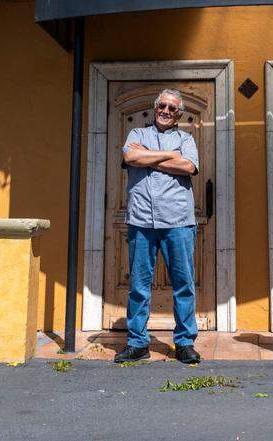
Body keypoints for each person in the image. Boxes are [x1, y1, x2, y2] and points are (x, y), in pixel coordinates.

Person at [114, 88, 202, 365]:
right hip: (141, 220)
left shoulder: (186, 139)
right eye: (162, 106)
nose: (166, 111)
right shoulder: (136, 135)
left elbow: (188, 166)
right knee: (139, 285)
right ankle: (138, 342)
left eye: (172, 108)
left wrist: (150, 156)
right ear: (155, 107)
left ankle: (185, 342)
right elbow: (131, 158)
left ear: (179, 114)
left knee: (183, 284)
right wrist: (168, 156)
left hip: (178, 220)